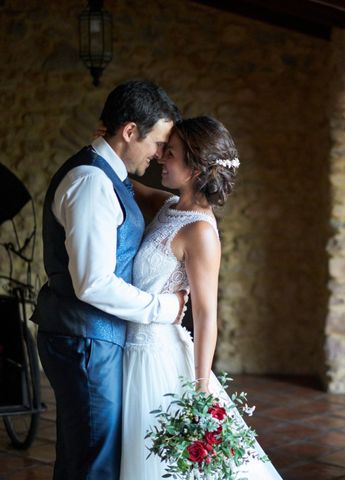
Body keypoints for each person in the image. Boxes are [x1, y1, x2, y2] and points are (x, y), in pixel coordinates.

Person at [32, 80, 189, 480]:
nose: (158, 155)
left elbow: (146, 199)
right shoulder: (91, 182)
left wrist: (189, 207)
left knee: (83, 453)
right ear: (130, 131)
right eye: (157, 143)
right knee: (95, 460)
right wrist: (163, 309)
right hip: (84, 338)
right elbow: (93, 283)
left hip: (90, 335)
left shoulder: (109, 174)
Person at [120, 116, 281, 479]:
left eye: (170, 153)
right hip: (131, 348)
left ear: (195, 169)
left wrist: (201, 387)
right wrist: (108, 148)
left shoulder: (200, 232)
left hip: (157, 355)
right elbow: (125, 183)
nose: (161, 157)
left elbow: (207, 315)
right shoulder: (169, 207)